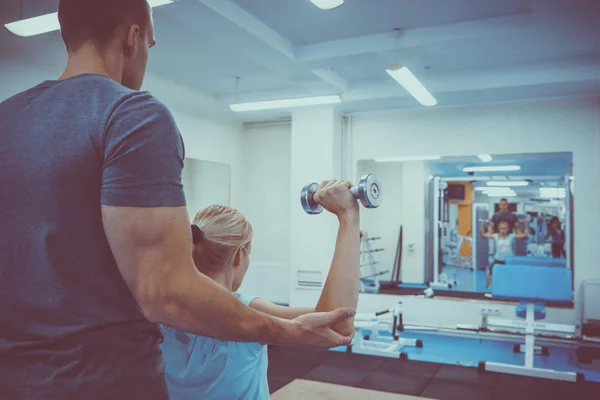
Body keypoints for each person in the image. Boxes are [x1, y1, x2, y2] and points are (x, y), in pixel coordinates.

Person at [0, 1, 354, 399]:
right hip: (104, 385)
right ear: (133, 38)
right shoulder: (130, 113)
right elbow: (164, 291)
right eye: (151, 42)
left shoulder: (7, 118)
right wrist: (287, 332)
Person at [160, 179, 361, 399]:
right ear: (240, 254)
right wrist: (348, 216)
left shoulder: (161, 308)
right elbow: (338, 324)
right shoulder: (247, 311)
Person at [481, 219, 529, 288]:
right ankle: (489, 288)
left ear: (508, 229)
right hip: (498, 260)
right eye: (501, 229)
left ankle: (512, 288)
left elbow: (525, 235)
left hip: (509, 261)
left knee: (512, 274)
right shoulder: (495, 236)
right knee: (490, 272)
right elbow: (483, 235)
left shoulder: (511, 236)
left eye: (505, 228)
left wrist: (525, 224)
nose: (503, 230)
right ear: (499, 229)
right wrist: (483, 224)